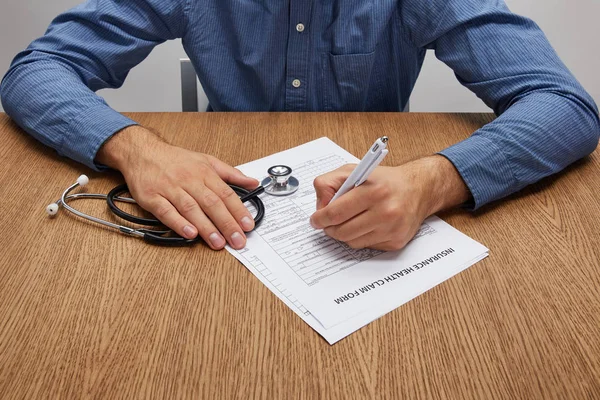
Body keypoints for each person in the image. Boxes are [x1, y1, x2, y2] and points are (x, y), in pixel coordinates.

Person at [1, 0, 598, 251]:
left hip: (366, 220)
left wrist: (433, 181)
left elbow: (563, 105)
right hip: (224, 219)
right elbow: (35, 70)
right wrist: (136, 148)